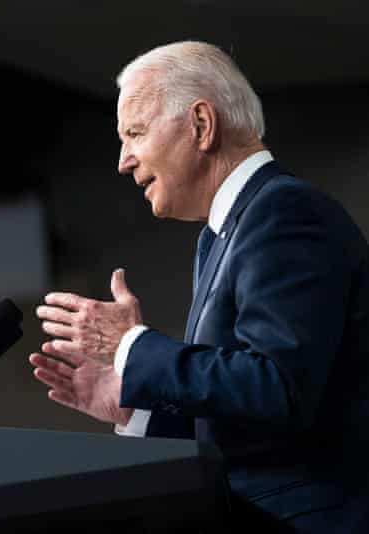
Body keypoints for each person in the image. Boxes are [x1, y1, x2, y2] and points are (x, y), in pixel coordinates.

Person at [28, 41, 369, 533]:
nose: (124, 161)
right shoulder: (221, 237)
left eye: (135, 134)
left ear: (201, 126)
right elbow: (244, 421)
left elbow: (279, 387)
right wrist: (135, 403)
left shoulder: (284, 212)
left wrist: (133, 347)